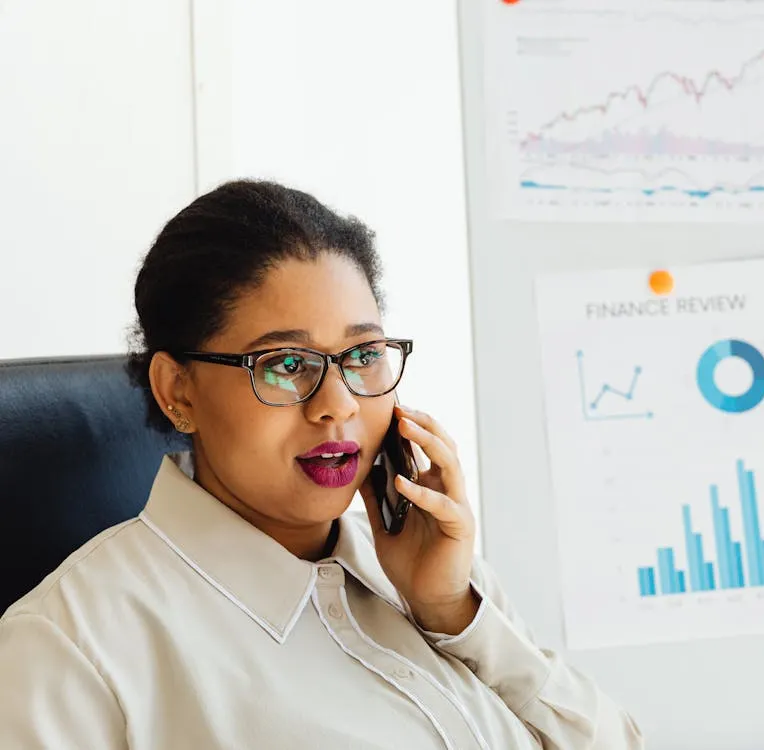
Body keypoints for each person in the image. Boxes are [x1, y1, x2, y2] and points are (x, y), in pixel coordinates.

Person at [0, 180, 644, 749]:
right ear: (178, 391)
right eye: (284, 365)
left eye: (363, 356)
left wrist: (454, 614)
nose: (336, 407)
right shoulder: (73, 645)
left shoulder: (434, 576)